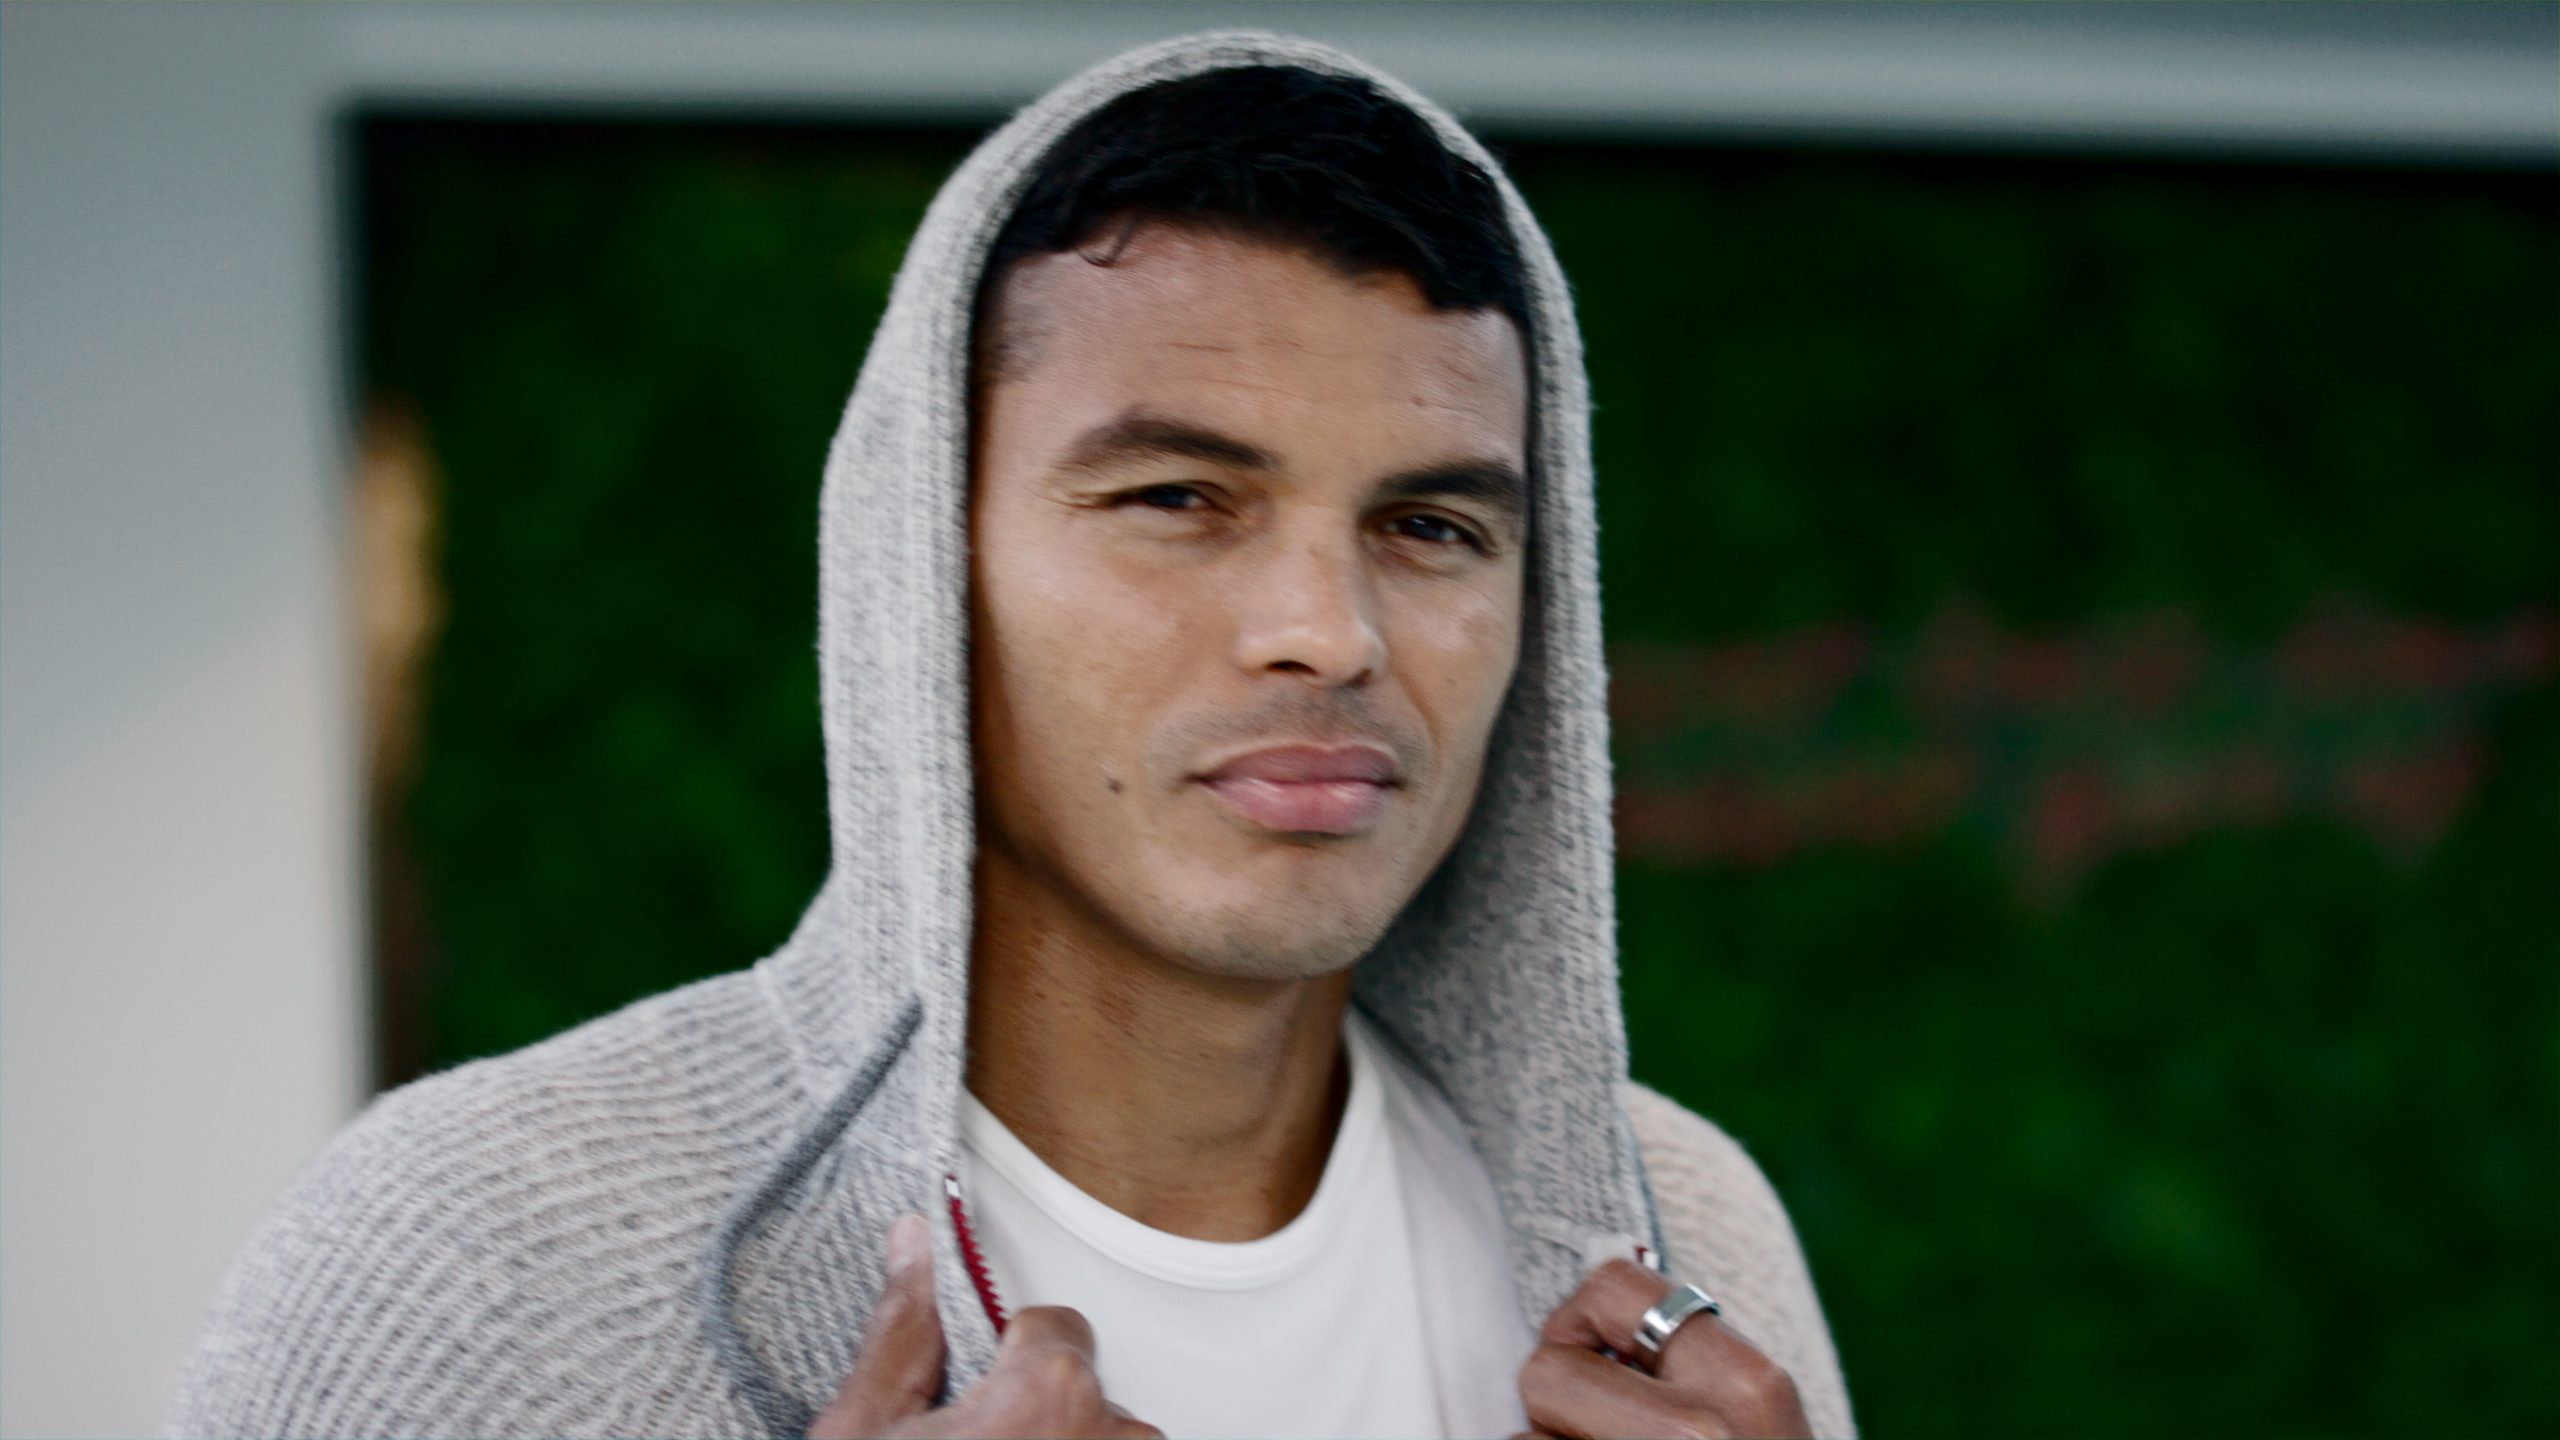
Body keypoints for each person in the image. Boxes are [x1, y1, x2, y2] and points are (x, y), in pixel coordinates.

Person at [171, 33, 1853, 1440]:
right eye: (1178, 498)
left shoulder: (1682, 1239)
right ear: (924, 576)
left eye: (1431, 527)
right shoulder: (480, 1258)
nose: (1331, 632)